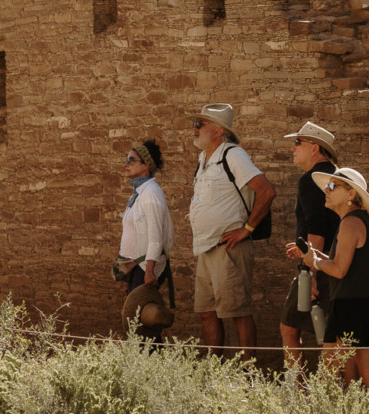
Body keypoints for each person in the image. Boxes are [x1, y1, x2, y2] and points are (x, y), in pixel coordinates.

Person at [188, 103, 276, 356]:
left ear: (217, 130)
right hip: (207, 247)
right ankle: (214, 370)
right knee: (207, 312)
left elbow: (266, 191)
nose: (194, 129)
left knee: (238, 312)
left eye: (199, 124)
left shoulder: (233, 155)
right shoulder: (204, 158)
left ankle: (247, 374)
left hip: (229, 248)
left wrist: (247, 229)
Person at [307, 166, 369, 390]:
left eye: (332, 186)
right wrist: (314, 257)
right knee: (365, 374)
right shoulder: (359, 222)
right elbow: (344, 263)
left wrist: (315, 262)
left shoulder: (350, 223)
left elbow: (339, 269)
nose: (326, 191)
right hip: (365, 304)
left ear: (351, 194)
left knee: (334, 371)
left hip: (354, 306)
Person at [280, 121, 340, 366]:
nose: (292, 148)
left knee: (289, 328)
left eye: (297, 143)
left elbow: (317, 229)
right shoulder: (336, 177)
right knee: (335, 334)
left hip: (318, 265)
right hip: (337, 263)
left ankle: (300, 392)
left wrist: (310, 273)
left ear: (315, 148)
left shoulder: (311, 180)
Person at [116, 139, 176, 341]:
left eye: (131, 160)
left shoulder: (151, 194)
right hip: (137, 268)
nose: (126, 163)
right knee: (138, 325)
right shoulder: (138, 194)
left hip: (145, 268)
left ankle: (152, 367)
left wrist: (149, 270)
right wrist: (126, 274)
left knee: (143, 325)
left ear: (146, 165)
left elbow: (155, 236)